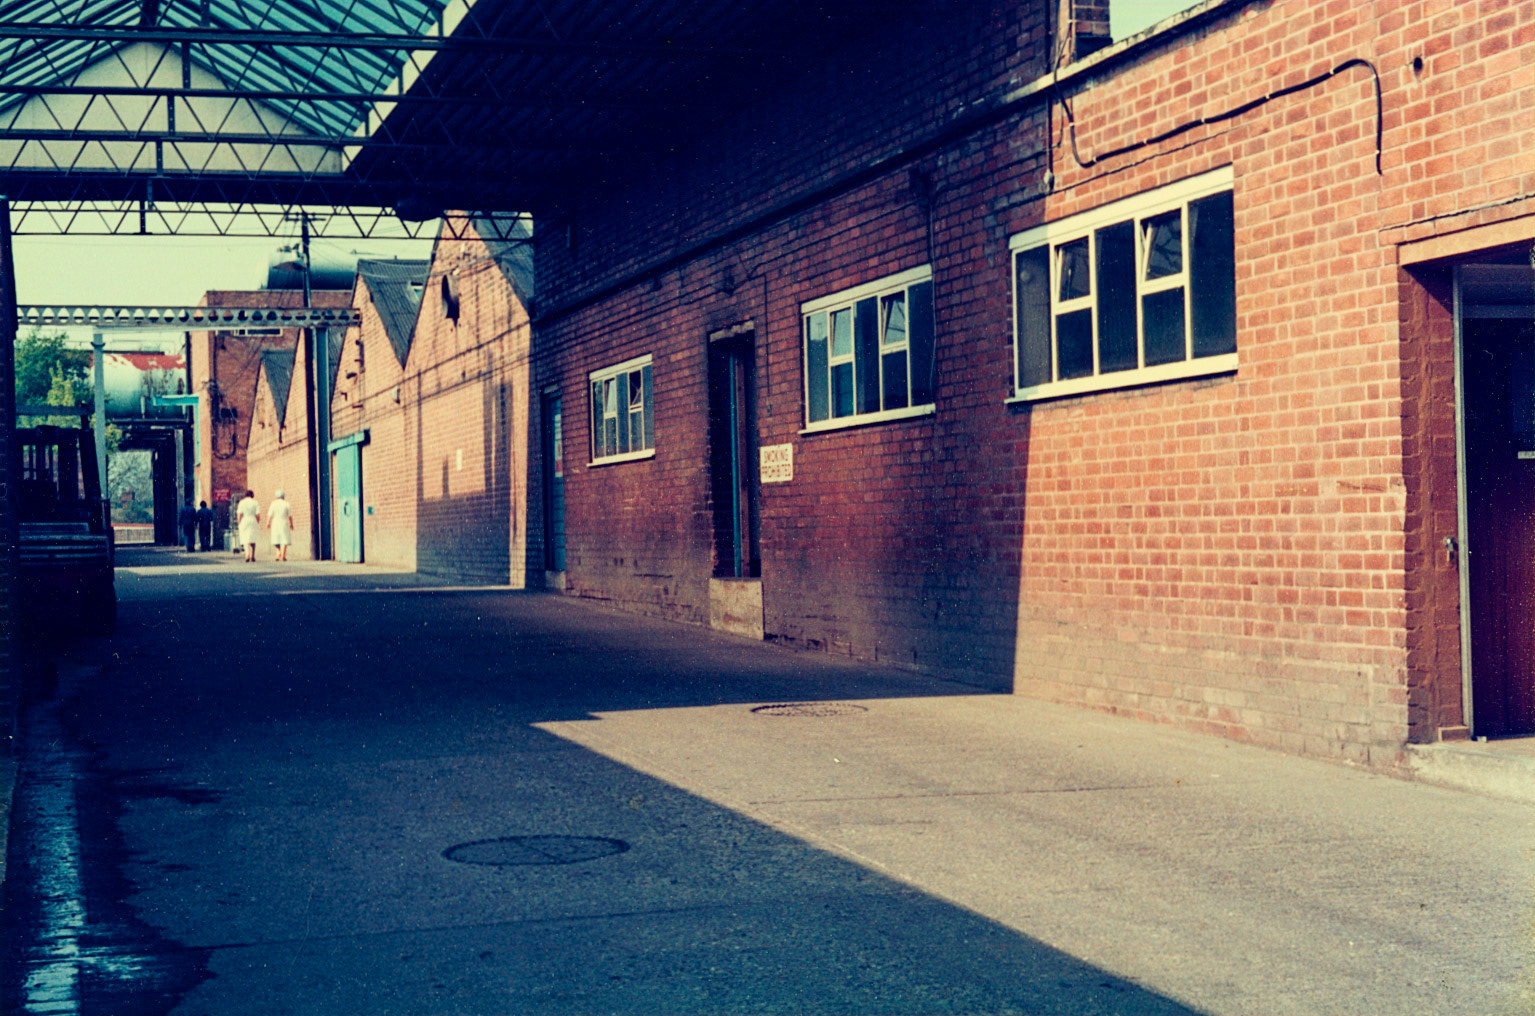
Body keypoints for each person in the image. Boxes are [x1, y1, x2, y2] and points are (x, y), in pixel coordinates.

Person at [235, 489, 260, 562]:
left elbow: (239, 514)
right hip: (253, 520)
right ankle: (253, 555)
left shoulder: (242, 502)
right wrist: (257, 521)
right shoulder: (255, 502)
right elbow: (258, 514)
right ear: (252, 495)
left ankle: (247, 554)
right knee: (253, 538)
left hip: (244, 520)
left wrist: (239, 522)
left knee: (245, 538)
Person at [268, 489, 293, 562]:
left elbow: (270, 514)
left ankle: (278, 553)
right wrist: (291, 524)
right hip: (284, 522)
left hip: (275, 522)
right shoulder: (286, 504)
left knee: (276, 538)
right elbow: (290, 515)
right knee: (284, 538)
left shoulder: (273, 504)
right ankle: (283, 555)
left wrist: (268, 522)